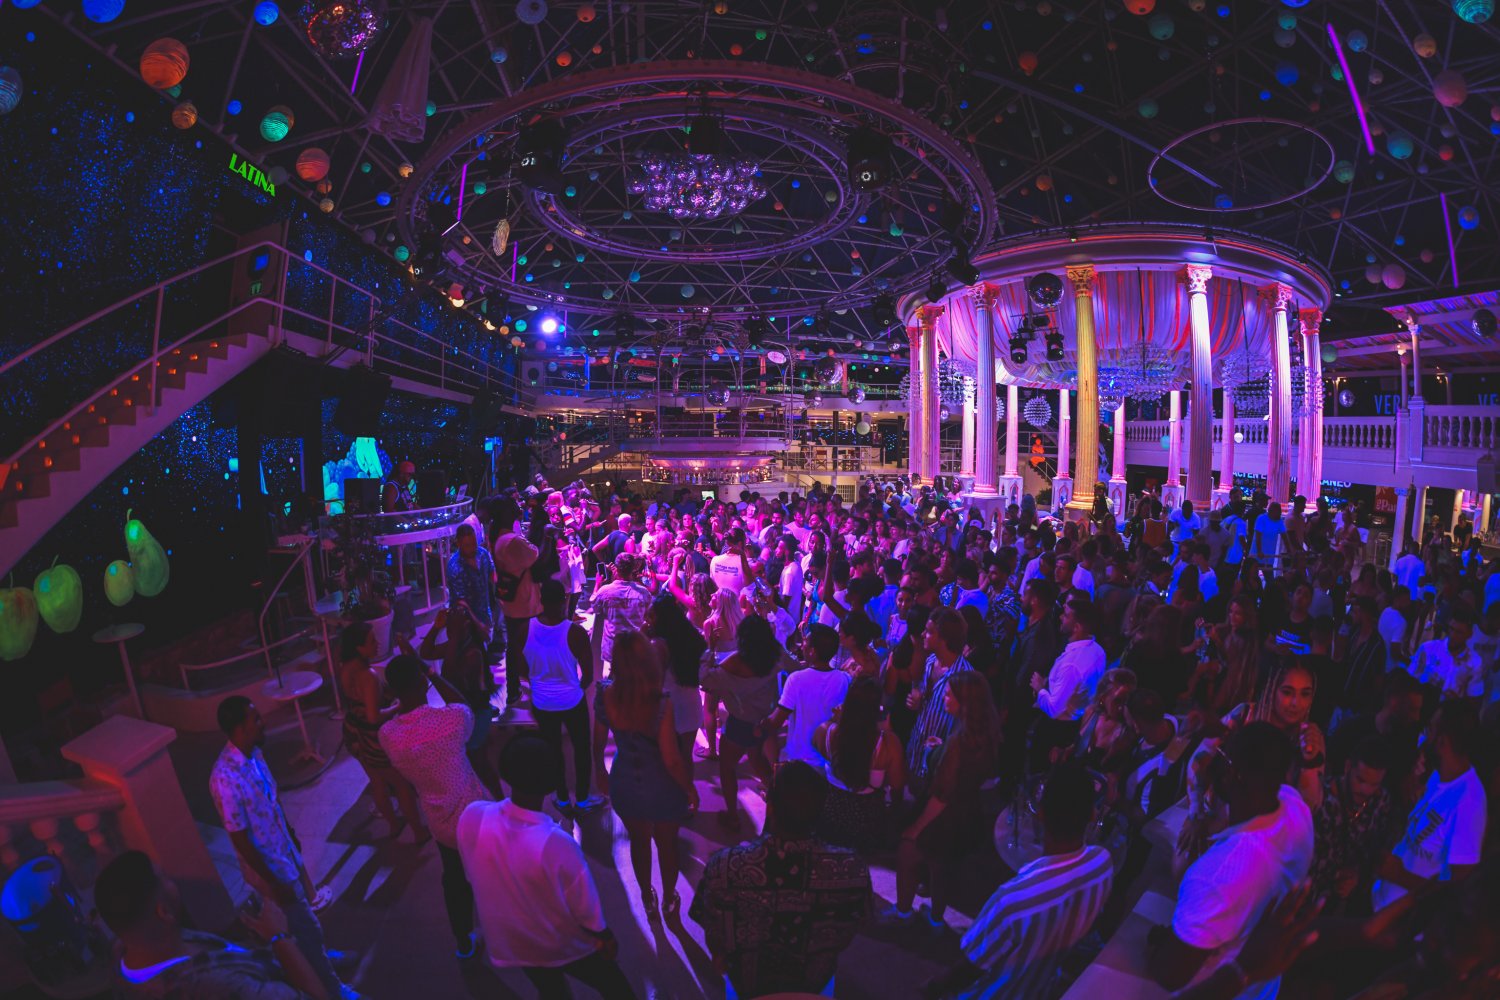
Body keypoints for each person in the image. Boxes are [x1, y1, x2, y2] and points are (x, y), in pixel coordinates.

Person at [458, 735, 636, 998]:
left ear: (505, 771)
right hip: (557, 941)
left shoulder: (473, 816)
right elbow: (585, 906)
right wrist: (604, 934)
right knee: (614, 986)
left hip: (514, 941)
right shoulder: (556, 842)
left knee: (551, 991)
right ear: (552, 781)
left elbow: (472, 873)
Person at [1149, 722, 1315, 998]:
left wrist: (1158, 950)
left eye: (1224, 758)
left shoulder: (1217, 874)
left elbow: (1170, 974)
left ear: (1234, 774)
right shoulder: (1295, 806)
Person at [922, 763, 1114, 1000]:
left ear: (1040, 813)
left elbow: (969, 968)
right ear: (1093, 814)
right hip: (1042, 987)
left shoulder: (1012, 900)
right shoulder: (1103, 864)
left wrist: (934, 987)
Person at [209, 697, 352, 1000]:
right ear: (240, 729)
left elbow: (271, 802)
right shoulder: (225, 779)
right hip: (271, 870)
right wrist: (274, 882)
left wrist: (290, 834)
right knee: (305, 927)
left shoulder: (255, 753)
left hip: (284, 853)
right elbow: (240, 840)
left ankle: (320, 959)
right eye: (256, 719)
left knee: (304, 925)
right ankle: (333, 988)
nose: (263, 723)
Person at [690, 761, 872, 998]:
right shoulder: (852, 868)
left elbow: (714, 933)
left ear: (770, 808)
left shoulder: (724, 866)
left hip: (747, 988)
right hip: (815, 986)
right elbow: (858, 922)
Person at [96, 849, 333, 1000]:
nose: (174, 881)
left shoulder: (124, 949)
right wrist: (280, 937)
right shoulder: (214, 985)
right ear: (164, 912)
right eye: (165, 879)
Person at [378, 655, 492, 960]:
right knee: (491, 872)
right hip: (476, 816)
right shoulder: (450, 720)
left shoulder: (389, 736)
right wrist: (433, 673)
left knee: (453, 878)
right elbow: (465, 707)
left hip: (440, 822)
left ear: (393, 691)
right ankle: (502, 925)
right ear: (422, 682)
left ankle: (463, 942)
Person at [592, 630, 697, 919]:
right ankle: (669, 898)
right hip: (663, 786)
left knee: (639, 841)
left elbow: (598, 741)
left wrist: (600, 770)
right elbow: (671, 759)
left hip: (625, 780)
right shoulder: (660, 702)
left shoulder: (605, 695)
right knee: (667, 845)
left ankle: (646, 896)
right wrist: (689, 788)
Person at [890, 672, 1001, 925]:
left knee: (907, 854)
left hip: (944, 815)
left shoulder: (958, 743)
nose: (944, 698)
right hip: (967, 811)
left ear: (965, 702)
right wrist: (940, 749)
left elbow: (942, 795)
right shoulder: (981, 733)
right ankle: (936, 919)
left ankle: (902, 914)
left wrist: (916, 828)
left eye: (949, 695)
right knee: (941, 867)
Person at [1371, 700, 1487, 910]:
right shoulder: (1438, 775)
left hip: (1405, 923)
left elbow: (1457, 891)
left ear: (1442, 741)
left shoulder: (1470, 802)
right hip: (1382, 902)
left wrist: (1399, 875)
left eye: (1430, 729)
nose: (1425, 736)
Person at [336, 622, 427, 841]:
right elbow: (373, 717)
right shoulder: (367, 676)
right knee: (400, 784)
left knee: (376, 780)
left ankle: (394, 826)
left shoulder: (345, 668)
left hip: (353, 730)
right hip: (372, 737)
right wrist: (396, 706)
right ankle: (418, 832)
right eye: (371, 641)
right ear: (358, 648)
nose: (377, 643)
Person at [521, 579, 602, 811]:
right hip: (571, 700)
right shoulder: (575, 632)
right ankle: (583, 799)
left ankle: (562, 798)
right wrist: (576, 687)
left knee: (553, 749)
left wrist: (536, 682)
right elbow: (588, 674)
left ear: (541, 601)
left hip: (542, 701)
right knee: (581, 749)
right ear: (564, 601)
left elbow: (520, 667)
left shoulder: (525, 629)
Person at [700, 614, 782, 830]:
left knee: (727, 768)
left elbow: (705, 678)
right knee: (757, 760)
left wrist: (710, 647)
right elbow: (795, 667)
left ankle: (733, 816)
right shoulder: (775, 655)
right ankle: (778, 806)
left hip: (741, 722)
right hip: (763, 721)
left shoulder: (736, 662)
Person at [814, 676, 906, 849]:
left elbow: (816, 743)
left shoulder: (826, 732)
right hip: (868, 829)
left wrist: (836, 720)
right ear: (877, 709)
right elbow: (898, 788)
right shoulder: (888, 743)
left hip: (830, 821)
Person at [1309, 736, 1393, 914]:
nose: (1366, 790)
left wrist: (1358, 875)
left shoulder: (1381, 800)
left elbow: (1377, 851)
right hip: (1310, 901)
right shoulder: (1320, 799)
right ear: (1348, 767)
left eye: (1374, 784)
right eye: (1360, 780)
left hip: (1351, 904)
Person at [902, 607, 973, 791]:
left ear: (944, 639)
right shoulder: (930, 661)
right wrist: (918, 702)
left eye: (929, 631)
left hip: (938, 766)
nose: (923, 634)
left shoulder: (964, 676)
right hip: (916, 752)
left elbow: (967, 727)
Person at [760, 623, 851, 766]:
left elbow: (776, 721)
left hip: (800, 761)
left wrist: (758, 723)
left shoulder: (796, 679)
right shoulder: (844, 679)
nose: (802, 646)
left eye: (805, 643)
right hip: (828, 760)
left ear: (812, 651)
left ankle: (774, 773)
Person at [493, 496, 541, 709]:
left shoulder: (499, 539)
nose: (518, 507)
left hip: (511, 602)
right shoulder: (513, 541)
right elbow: (534, 554)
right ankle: (531, 685)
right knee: (526, 647)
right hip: (524, 602)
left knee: (512, 647)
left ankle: (513, 690)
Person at [590, 552, 654, 667]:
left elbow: (594, 606)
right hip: (634, 646)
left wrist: (597, 584)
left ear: (617, 568)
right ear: (633, 568)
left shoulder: (605, 591)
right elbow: (648, 616)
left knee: (613, 676)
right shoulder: (644, 593)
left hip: (612, 647)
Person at [444, 523, 496, 644]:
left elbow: (492, 573)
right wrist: (479, 626)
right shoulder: (455, 566)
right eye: (468, 545)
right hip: (464, 621)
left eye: (474, 543)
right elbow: (460, 602)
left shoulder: (482, 554)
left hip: (484, 613)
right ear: (458, 544)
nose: (473, 548)